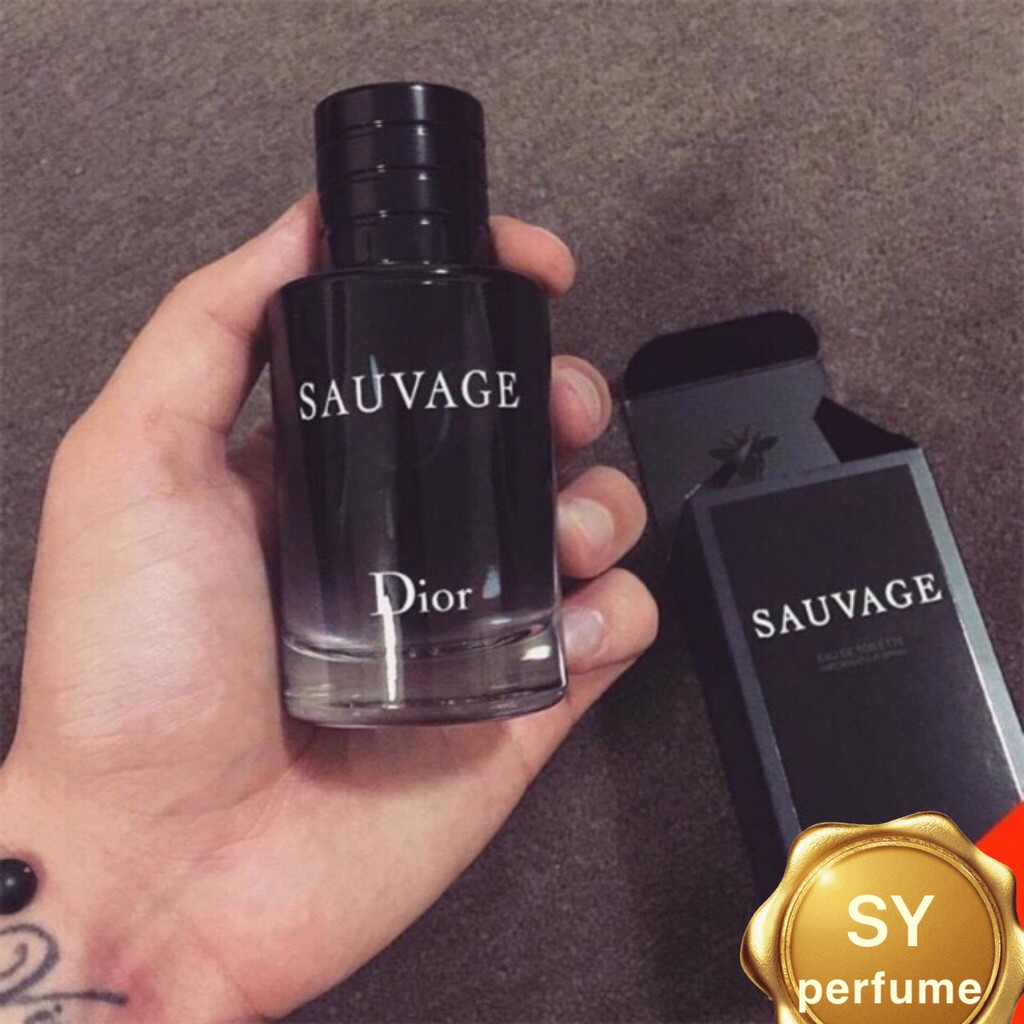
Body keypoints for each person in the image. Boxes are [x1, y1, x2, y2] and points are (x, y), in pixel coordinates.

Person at [0, 196, 657, 1023]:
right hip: (325, 670)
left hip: (404, 682)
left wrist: (96, 862)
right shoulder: (314, 302)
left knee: (555, 486)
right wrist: (96, 840)